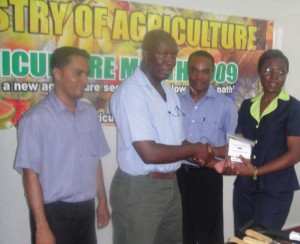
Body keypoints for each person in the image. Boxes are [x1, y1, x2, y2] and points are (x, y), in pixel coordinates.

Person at [109, 30, 213, 244]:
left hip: (171, 186)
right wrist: (195, 149)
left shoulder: (169, 93)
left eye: (173, 55)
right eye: (163, 54)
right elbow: (149, 152)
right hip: (140, 189)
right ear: (146, 55)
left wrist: (203, 157)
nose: (170, 61)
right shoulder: (132, 92)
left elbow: (179, 143)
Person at [14, 46, 111, 244]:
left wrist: (102, 200)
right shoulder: (36, 119)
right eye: (78, 73)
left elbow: (95, 160)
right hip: (53, 214)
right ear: (57, 74)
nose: (85, 80)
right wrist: (41, 227)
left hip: (85, 210)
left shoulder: (89, 113)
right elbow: (30, 175)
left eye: (86, 74)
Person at [232, 49, 300, 234]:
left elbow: (295, 154)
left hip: (275, 190)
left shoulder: (293, 108)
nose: (274, 76)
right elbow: (240, 142)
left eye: (280, 71)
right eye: (268, 69)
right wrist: (213, 154)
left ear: (286, 74)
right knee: (242, 237)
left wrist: (256, 170)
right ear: (260, 72)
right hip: (245, 187)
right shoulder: (247, 105)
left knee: (260, 239)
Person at [176, 50, 238, 244]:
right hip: (178, 175)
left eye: (205, 71)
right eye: (194, 70)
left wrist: (213, 152)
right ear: (187, 71)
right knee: (181, 232)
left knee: (209, 236)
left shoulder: (225, 105)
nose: (199, 76)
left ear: (212, 73)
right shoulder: (175, 101)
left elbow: (235, 147)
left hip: (209, 177)